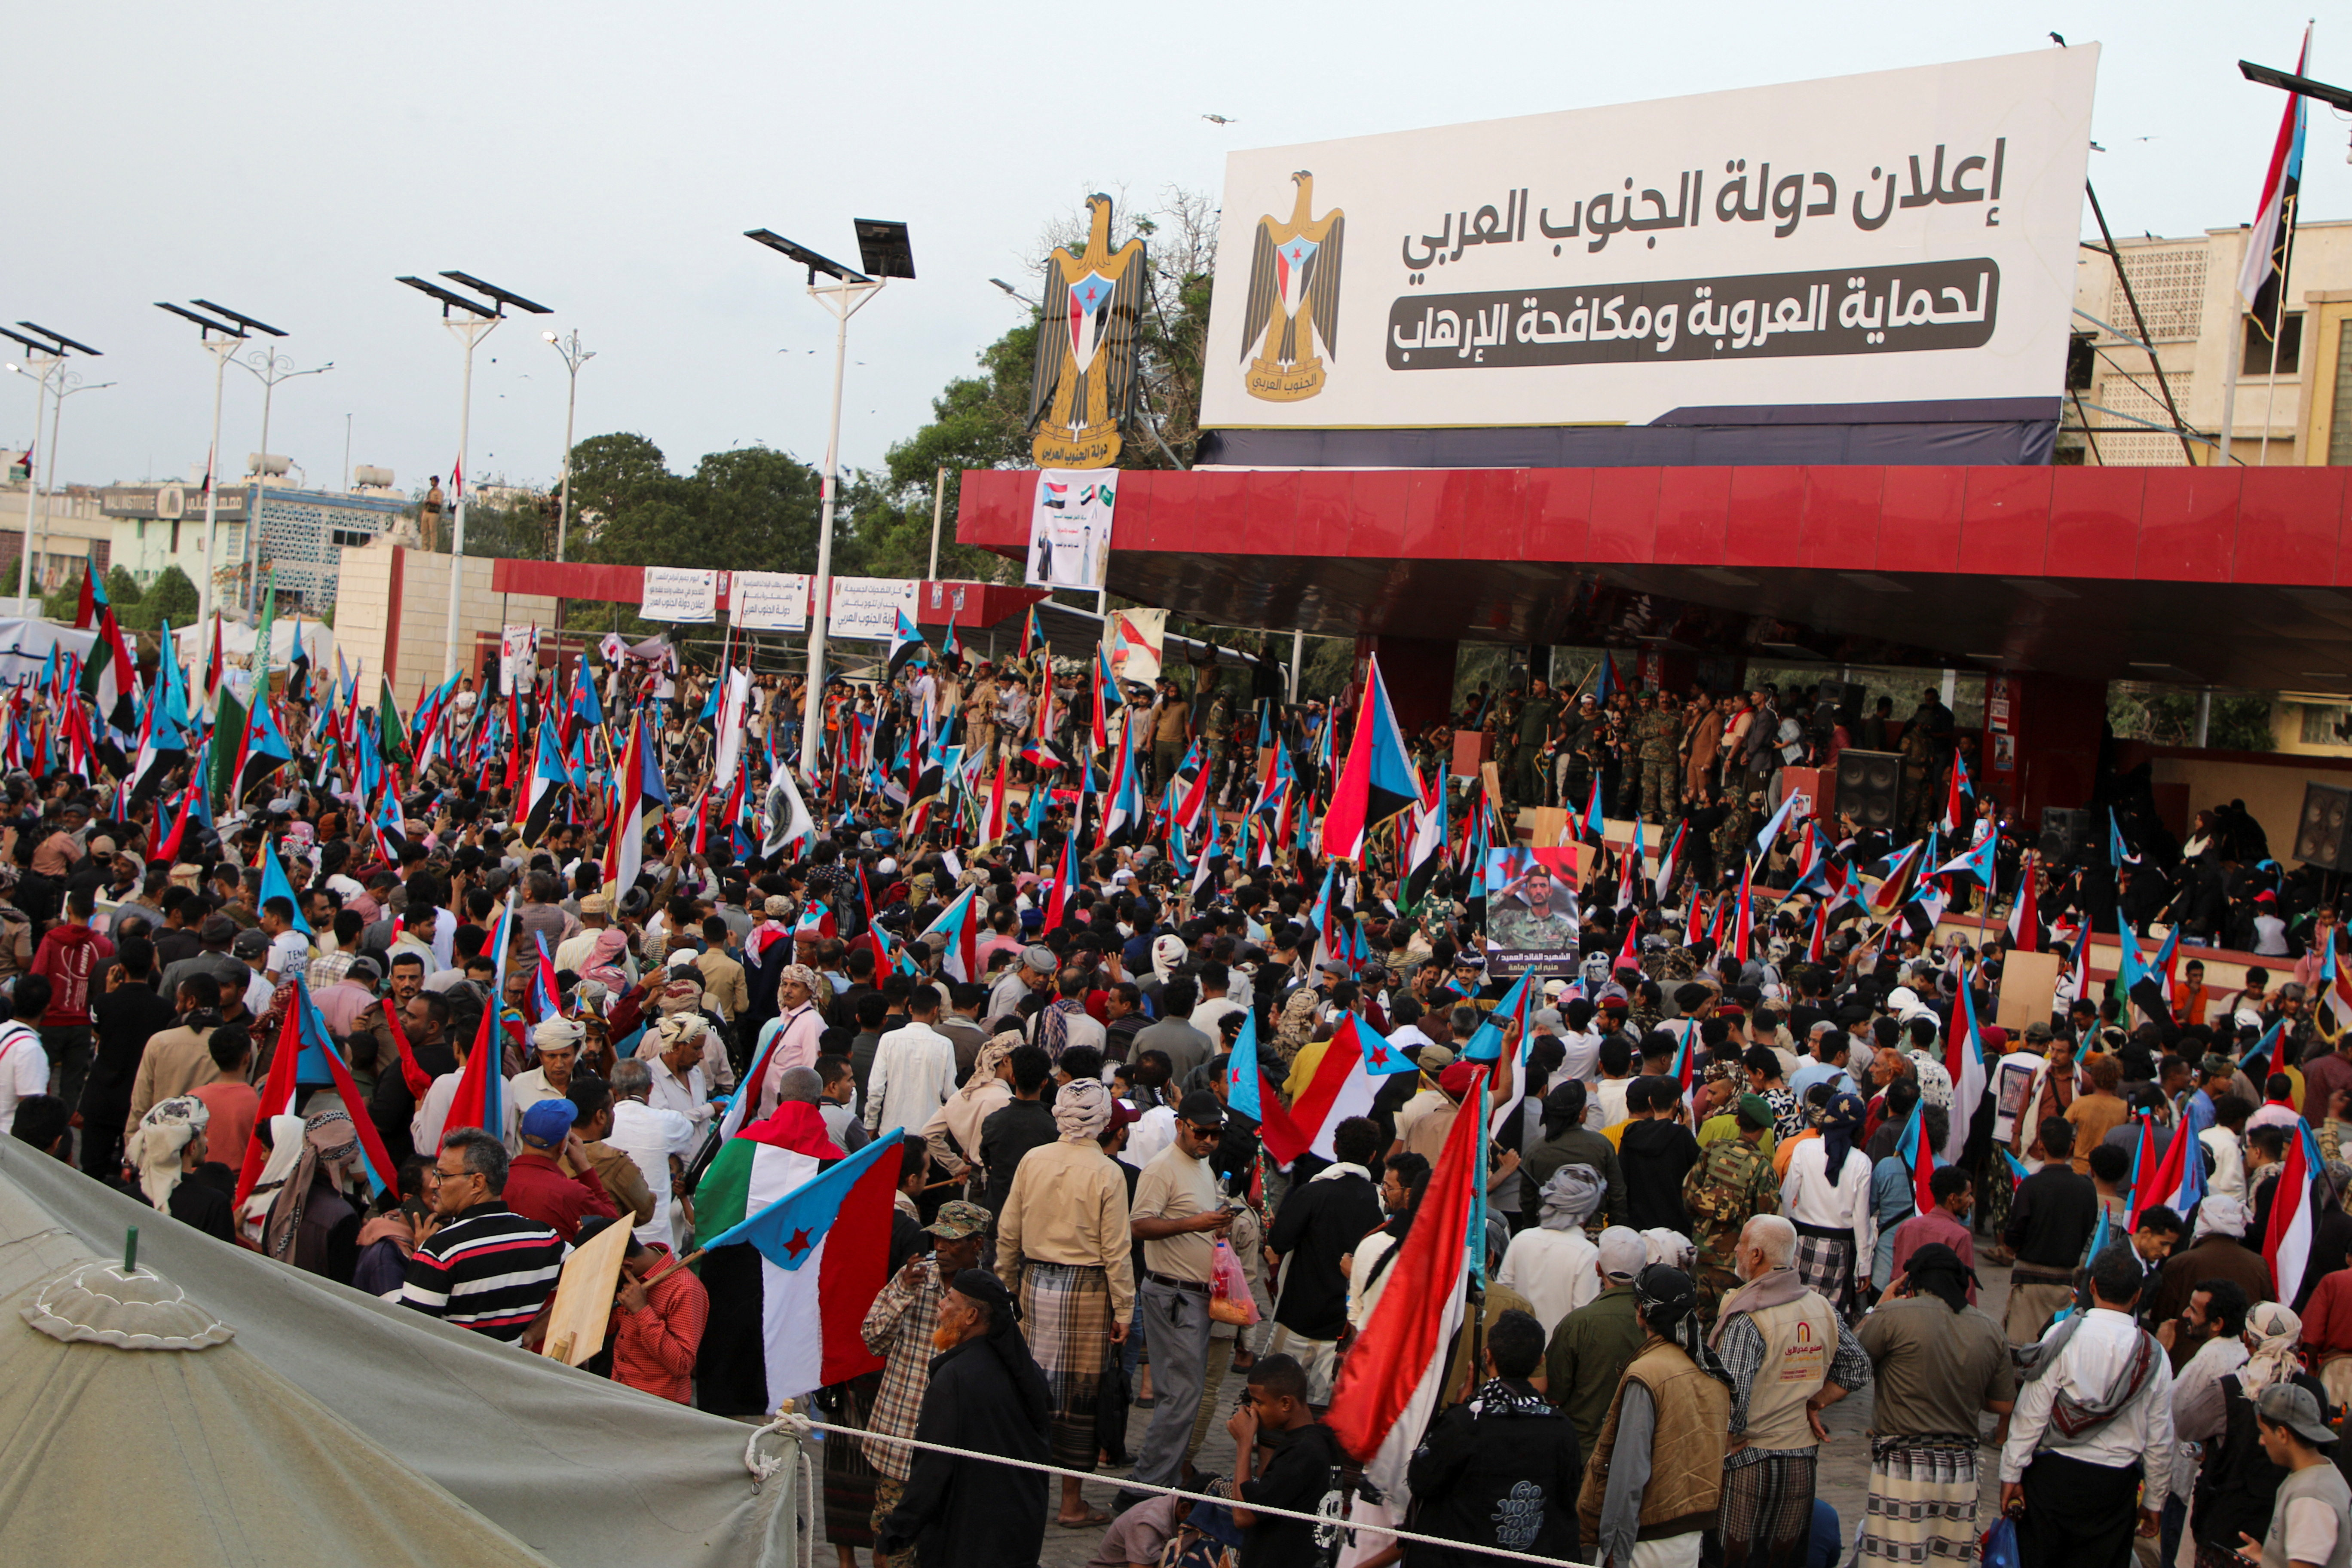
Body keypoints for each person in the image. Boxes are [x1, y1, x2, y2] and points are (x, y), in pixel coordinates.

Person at [993, 1074, 1133, 1528]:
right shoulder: (1108, 1172)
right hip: (1088, 1291)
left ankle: (1022, 1492)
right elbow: (1117, 1250)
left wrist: (1007, 1282)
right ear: (1104, 1120)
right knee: (1078, 1398)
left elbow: (1008, 1229)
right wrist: (1126, 1309)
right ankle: (1070, 1502)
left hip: (1034, 1283)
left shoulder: (1034, 1160)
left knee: (1032, 1386)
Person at [1999, 1243, 2176, 1568]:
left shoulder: (2063, 1336)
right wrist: (2154, 1500)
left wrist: (2012, 1472)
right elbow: (2161, 1437)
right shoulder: (2154, 1356)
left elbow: (2031, 1414)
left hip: (2053, 1477)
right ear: (2138, 1296)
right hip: (2114, 1490)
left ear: (2091, 1286)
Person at [1709, 1214, 1871, 1568]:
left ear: (1755, 1256)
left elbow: (1733, 1402)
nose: (1734, 1250)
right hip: (1801, 1460)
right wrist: (1816, 1401)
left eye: (1740, 1245)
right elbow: (1858, 1367)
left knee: (1732, 1558)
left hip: (1749, 1461)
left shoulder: (1747, 1316)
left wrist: (1722, 1441)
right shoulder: (1821, 1307)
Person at [874, 1269, 1053, 1568]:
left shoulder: (953, 1380)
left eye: (949, 1300)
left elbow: (932, 1471)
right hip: (1019, 1535)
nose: (941, 1306)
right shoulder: (1027, 1372)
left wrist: (893, 1536)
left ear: (971, 1316)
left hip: (967, 1539)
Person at [1853, 1243, 2016, 1567]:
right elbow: (2003, 1404)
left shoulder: (1892, 1316)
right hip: (1962, 1472)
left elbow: (1852, 1364)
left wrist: (1877, 1309)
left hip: (1903, 1466)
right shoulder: (1990, 1329)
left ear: (1912, 1283)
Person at [1119, 1089, 1235, 1512]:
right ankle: (1146, 1487)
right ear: (1180, 1126)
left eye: (1215, 1134)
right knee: (1181, 1396)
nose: (1208, 1141)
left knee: (1182, 1395)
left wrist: (1215, 1228)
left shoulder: (1202, 1165)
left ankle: (1157, 1482)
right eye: (1201, 1133)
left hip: (1193, 1295)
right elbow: (1139, 1226)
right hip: (1173, 1294)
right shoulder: (1161, 1169)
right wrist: (1198, 1222)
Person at [1578, 1263, 1735, 1568]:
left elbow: (1628, 1472)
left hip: (1645, 1540)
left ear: (1641, 1312)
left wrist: (1614, 1549)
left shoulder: (1647, 1372)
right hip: (1689, 1539)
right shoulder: (1711, 1368)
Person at [1408, 1306, 1583, 1565]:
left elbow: (1421, 1479)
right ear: (1540, 1361)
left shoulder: (1465, 1422)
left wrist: (1460, 1410)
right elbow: (1568, 1494)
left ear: (1488, 1357)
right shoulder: (1561, 1427)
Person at [862, 1201, 991, 1549]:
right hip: (901, 1434)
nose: (941, 1249)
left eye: (953, 1242)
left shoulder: (989, 1292)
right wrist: (903, 1292)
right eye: (937, 1240)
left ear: (977, 1244)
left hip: (957, 1445)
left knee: (945, 1543)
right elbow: (873, 1340)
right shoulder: (912, 1279)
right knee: (890, 1540)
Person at [398, 1126, 566, 1342]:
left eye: (443, 1176)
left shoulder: (439, 1252)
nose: (433, 1185)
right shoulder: (546, 1238)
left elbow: (408, 1336)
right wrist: (531, 1334)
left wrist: (424, 1258)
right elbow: (590, 1284)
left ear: (477, 1183)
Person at [1264, 1115, 1387, 1403]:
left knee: (1276, 1401)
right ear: (1372, 1156)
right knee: (1319, 1412)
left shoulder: (1312, 1192)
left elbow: (1279, 1241)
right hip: (1341, 1325)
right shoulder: (1378, 1202)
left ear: (1334, 1146)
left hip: (1297, 1316)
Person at [1226, 1352, 1350, 1568]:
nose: (1252, 1410)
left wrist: (1244, 1443)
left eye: (1258, 1402)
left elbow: (1243, 1516)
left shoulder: (1301, 1455)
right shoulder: (1321, 1441)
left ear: (1285, 1403)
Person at [591, 1215, 708, 1407]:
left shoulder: (685, 1288)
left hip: (656, 1406)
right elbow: (608, 1328)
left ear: (626, 1266)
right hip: (619, 1392)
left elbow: (682, 1364)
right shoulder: (631, 1280)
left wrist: (642, 1311)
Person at [1684, 1092, 1782, 1322]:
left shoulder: (1712, 1149)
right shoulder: (1763, 1168)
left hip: (1701, 1255)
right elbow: (1766, 1221)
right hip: (1735, 1264)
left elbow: (1689, 1195)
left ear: (1737, 1121)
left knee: (1700, 1324)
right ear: (1765, 1130)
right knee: (1730, 1325)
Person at [1778, 1089, 1874, 1321]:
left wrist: (1788, 1238)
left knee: (1795, 1309)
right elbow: (1861, 1219)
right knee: (1828, 1317)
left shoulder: (1803, 1149)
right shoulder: (1862, 1162)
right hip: (1839, 1249)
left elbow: (1787, 1196)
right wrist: (1865, 1265)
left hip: (1801, 1242)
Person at [2003, 1118, 2099, 1344]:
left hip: (2030, 1284)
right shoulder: (2087, 1189)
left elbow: (2013, 1235)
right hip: (2066, 1285)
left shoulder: (2030, 1186)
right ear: (2071, 1146)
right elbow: (2087, 1230)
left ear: (2041, 1145)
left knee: (2020, 1350)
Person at [1498, 1163, 1604, 1334]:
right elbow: (1583, 1321)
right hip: (1559, 1355)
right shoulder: (1586, 1253)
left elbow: (1503, 1299)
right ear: (1588, 1210)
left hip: (1517, 1352)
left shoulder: (1522, 1239)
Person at [500, 1097, 620, 1243]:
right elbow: (616, 1228)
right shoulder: (571, 1194)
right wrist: (584, 1167)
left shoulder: (496, 1182)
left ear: (520, 1132)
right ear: (564, 1143)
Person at [123, 1092, 236, 1241]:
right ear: (193, 1147)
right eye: (204, 1135)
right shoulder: (214, 1204)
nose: (206, 1140)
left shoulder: (125, 1197)